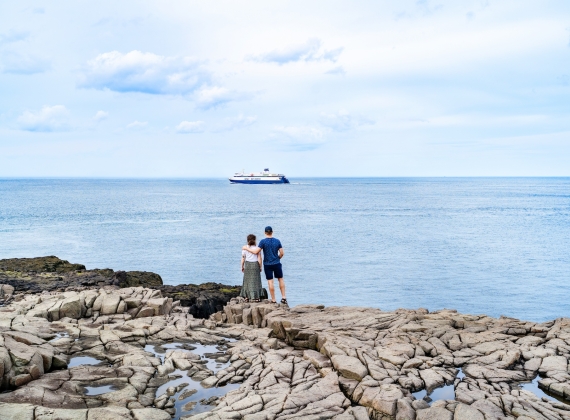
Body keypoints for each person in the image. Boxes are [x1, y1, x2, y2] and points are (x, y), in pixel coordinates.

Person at [243, 226, 287, 304]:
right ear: (272, 232)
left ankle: (273, 300)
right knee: (280, 279)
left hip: (267, 264)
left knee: (270, 282)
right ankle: (283, 298)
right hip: (277, 263)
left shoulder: (263, 242)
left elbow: (256, 252)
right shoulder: (277, 241)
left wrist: (246, 249)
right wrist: (278, 258)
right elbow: (282, 253)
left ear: (265, 233)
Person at [240, 234, 264, 302]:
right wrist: (260, 266)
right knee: (256, 281)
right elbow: (259, 258)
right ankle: (256, 297)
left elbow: (243, 258)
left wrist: (242, 266)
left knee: (247, 281)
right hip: (255, 264)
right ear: (255, 240)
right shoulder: (257, 248)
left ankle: (247, 296)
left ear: (247, 240)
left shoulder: (245, 248)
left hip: (247, 264)